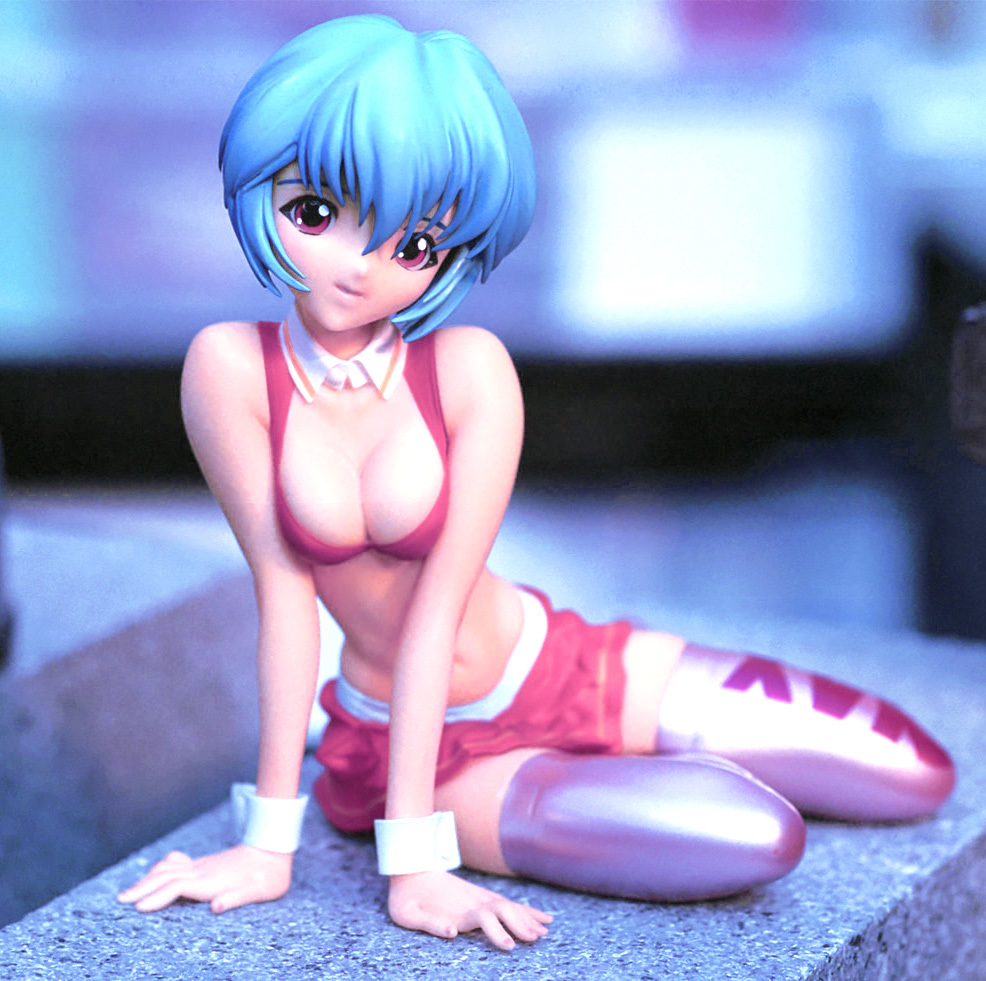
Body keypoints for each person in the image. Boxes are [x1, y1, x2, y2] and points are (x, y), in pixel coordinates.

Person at [118, 15, 954, 951]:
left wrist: (415, 860)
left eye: (413, 244)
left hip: (557, 663)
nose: (359, 265)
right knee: (754, 834)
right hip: (406, 748)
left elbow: (437, 610)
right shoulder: (231, 368)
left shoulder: (468, 370)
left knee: (907, 768)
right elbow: (283, 602)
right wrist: (290, 847)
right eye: (317, 211)